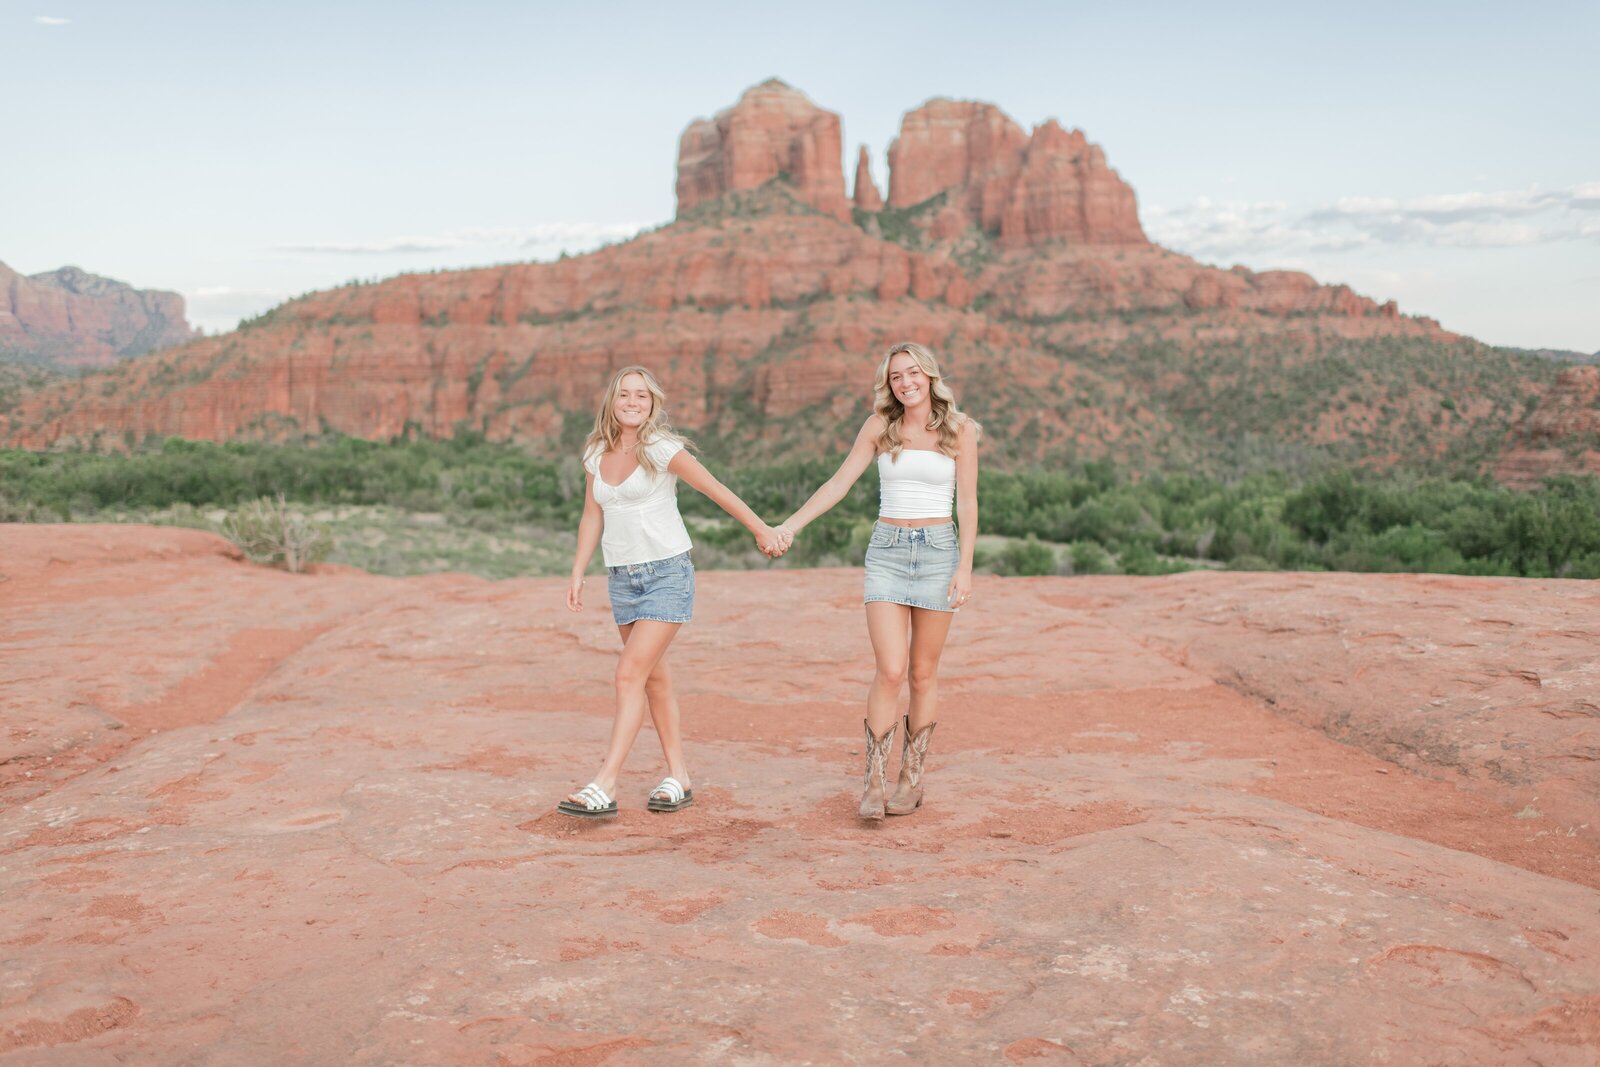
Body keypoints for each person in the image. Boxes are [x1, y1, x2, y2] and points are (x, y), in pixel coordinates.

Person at [561, 365, 787, 818]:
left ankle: (605, 783)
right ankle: (679, 776)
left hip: (667, 574)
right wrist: (578, 569)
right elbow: (592, 514)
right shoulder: (595, 452)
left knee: (629, 675)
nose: (632, 402)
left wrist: (762, 529)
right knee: (654, 678)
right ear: (612, 400)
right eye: (624, 394)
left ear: (652, 403)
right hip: (623, 580)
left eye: (641, 396)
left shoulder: (662, 449)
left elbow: (715, 490)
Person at [778, 342, 979, 820]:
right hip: (887, 552)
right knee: (890, 670)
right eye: (896, 377)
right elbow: (837, 484)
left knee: (922, 673)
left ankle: (911, 779)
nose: (905, 382)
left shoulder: (960, 430)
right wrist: (790, 525)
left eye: (913, 373)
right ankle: (874, 781)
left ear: (929, 376)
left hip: (937, 552)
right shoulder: (879, 428)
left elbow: (967, 504)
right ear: (888, 385)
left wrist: (965, 565)